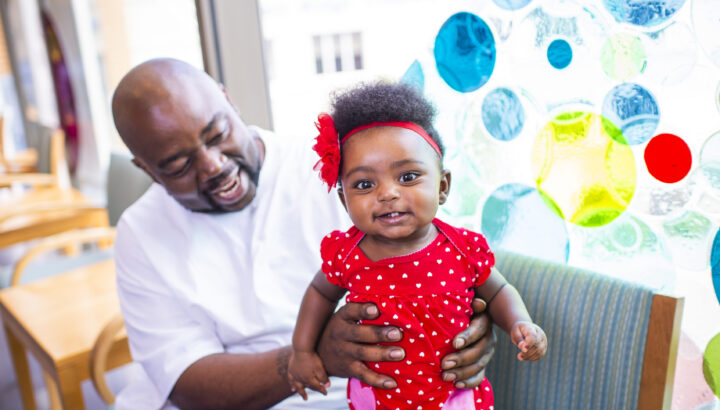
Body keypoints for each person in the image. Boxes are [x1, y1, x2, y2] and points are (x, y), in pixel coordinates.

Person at [110, 58, 497, 409]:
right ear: (145, 169)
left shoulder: (344, 174)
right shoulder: (141, 233)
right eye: (179, 164)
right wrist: (313, 352)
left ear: (229, 102)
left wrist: (474, 328)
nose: (214, 166)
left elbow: (447, 260)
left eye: (217, 135)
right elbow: (187, 382)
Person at [287, 82, 548, 410]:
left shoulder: (462, 248)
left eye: (407, 177)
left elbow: (497, 291)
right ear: (344, 199)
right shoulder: (347, 254)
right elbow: (319, 293)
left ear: (443, 186)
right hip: (377, 400)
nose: (387, 194)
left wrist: (520, 323)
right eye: (365, 184)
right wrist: (301, 350)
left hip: (454, 398)